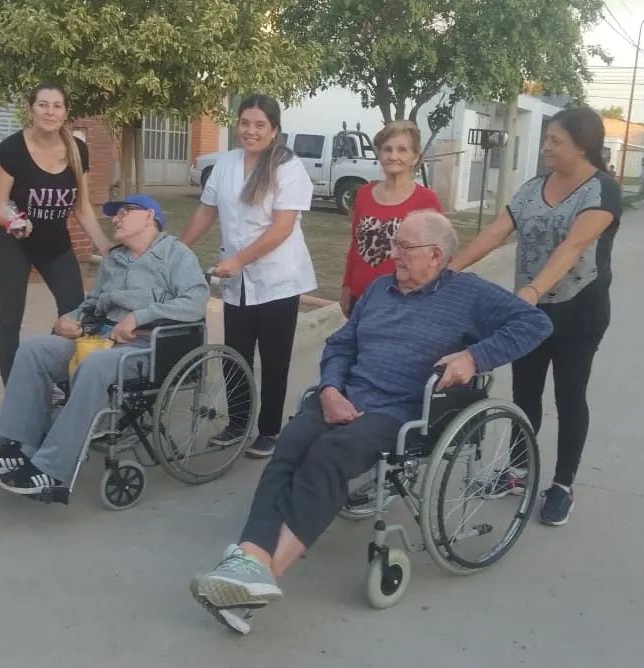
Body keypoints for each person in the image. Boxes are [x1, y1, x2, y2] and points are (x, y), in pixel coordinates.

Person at [189, 211, 552, 634]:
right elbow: (341, 345)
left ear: (436, 255)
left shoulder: (468, 294)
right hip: (343, 397)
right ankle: (248, 562)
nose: (392, 253)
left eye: (404, 246)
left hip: (401, 411)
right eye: (395, 244)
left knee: (327, 456)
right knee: (289, 447)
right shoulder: (379, 289)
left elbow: (535, 323)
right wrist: (329, 389)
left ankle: (263, 575)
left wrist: (474, 357)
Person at [0, 194, 208, 495]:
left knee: (95, 366)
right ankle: (20, 447)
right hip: (99, 339)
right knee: (33, 350)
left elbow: (195, 303)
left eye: (123, 212)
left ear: (149, 216)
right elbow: (94, 303)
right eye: (114, 214)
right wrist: (68, 319)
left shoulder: (176, 255)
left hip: (149, 347)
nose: (115, 219)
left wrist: (139, 317)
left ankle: (51, 468)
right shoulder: (115, 259)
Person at [451, 107, 621, 527]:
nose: (546, 146)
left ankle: (562, 485)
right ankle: (517, 469)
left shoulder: (602, 190)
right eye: (546, 138)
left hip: (579, 311)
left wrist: (531, 290)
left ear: (583, 145)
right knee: (525, 395)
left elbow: (574, 246)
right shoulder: (532, 189)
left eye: (555, 140)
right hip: (528, 314)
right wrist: (449, 270)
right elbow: (496, 232)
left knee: (569, 395)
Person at [181, 94, 316, 459]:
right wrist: (176, 249)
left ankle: (269, 430)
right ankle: (238, 423)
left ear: (274, 130)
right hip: (236, 280)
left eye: (260, 125)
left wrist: (240, 259)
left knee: (274, 359)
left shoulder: (288, 168)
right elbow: (206, 213)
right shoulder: (225, 164)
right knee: (234, 354)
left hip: (278, 280)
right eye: (245, 123)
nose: (250, 131)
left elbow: (283, 227)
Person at [0, 82, 112, 385]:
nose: (50, 111)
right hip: (13, 246)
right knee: (10, 318)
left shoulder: (76, 150)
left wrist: (107, 248)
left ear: (66, 112)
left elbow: (82, 208)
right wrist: (14, 221)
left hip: (55, 245)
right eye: (43, 104)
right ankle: (15, 392)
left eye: (57, 105)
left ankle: (53, 375)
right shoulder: (11, 150)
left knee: (74, 315)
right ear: (31, 109)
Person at [340, 120, 443, 317]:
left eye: (402, 150)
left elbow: (439, 257)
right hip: (360, 298)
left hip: (404, 303)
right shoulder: (364, 193)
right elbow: (356, 244)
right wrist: (347, 286)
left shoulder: (427, 201)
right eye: (387, 149)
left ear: (415, 157)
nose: (393, 156)